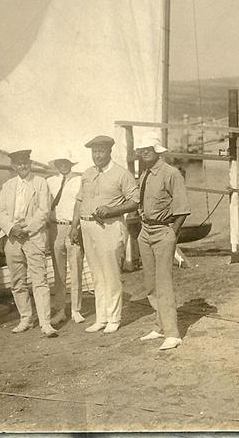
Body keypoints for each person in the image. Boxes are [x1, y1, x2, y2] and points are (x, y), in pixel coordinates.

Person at [70, 135, 139, 334]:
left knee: (111, 274)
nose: (97, 155)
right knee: (96, 275)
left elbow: (135, 201)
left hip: (109, 227)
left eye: (100, 151)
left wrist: (112, 210)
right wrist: (75, 227)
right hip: (88, 227)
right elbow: (80, 201)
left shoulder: (121, 174)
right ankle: (101, 318)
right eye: (94, 152)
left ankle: (114, 318)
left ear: (109, 151)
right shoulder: (87, 174)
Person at [0, 149, 59, 338]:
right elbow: (0, 211)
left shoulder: (40, 183)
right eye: (18, 163)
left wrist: (27, 229)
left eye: (25, 162)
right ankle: (25, 318)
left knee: (40, 279)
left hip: (33, 235)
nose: (22, 166)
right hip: (13, 237)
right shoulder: (7, 186)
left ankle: (45, 322)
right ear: (13, 166)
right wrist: (12, 229)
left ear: (30, 163)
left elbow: (44, 210)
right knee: (17, 280)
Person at [136, 138, 191, 350]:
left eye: (149, 149)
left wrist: (171, 234)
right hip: (145, 231)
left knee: (164, 282)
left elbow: (183, 209)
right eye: (142, 150)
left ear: (158, 151)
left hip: (163, 231)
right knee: (150, 283)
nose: (145, 153)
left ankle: (172, 333)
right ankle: (159, 326)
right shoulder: (145, 173)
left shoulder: (171, 173)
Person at [46, 150, 85, 326]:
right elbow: (44, 204)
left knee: (76, 268)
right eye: (60, 161)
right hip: (56, 228)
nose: (63, 164)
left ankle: (76, 309)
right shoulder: (49, 182)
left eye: (66, 161)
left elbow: (83, 203)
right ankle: (60, 310)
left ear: (71, 163)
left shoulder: (80, 180)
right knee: (58, 272)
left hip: (73, 227)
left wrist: (77, 226)